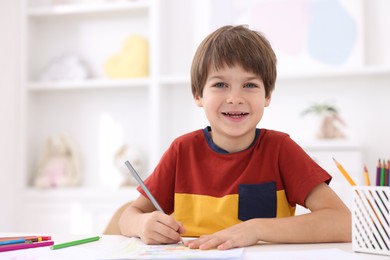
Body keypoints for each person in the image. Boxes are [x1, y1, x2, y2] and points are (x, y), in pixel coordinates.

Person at [118, 25, 351, 250]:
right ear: (198, 95)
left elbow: (344, 223)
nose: (235, 98)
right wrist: (142, 225)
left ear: (268, 95)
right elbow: (128, 216)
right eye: (220, 84)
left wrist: (256, 229)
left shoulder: (281, 149)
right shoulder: (182, 150)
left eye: (249, 84)